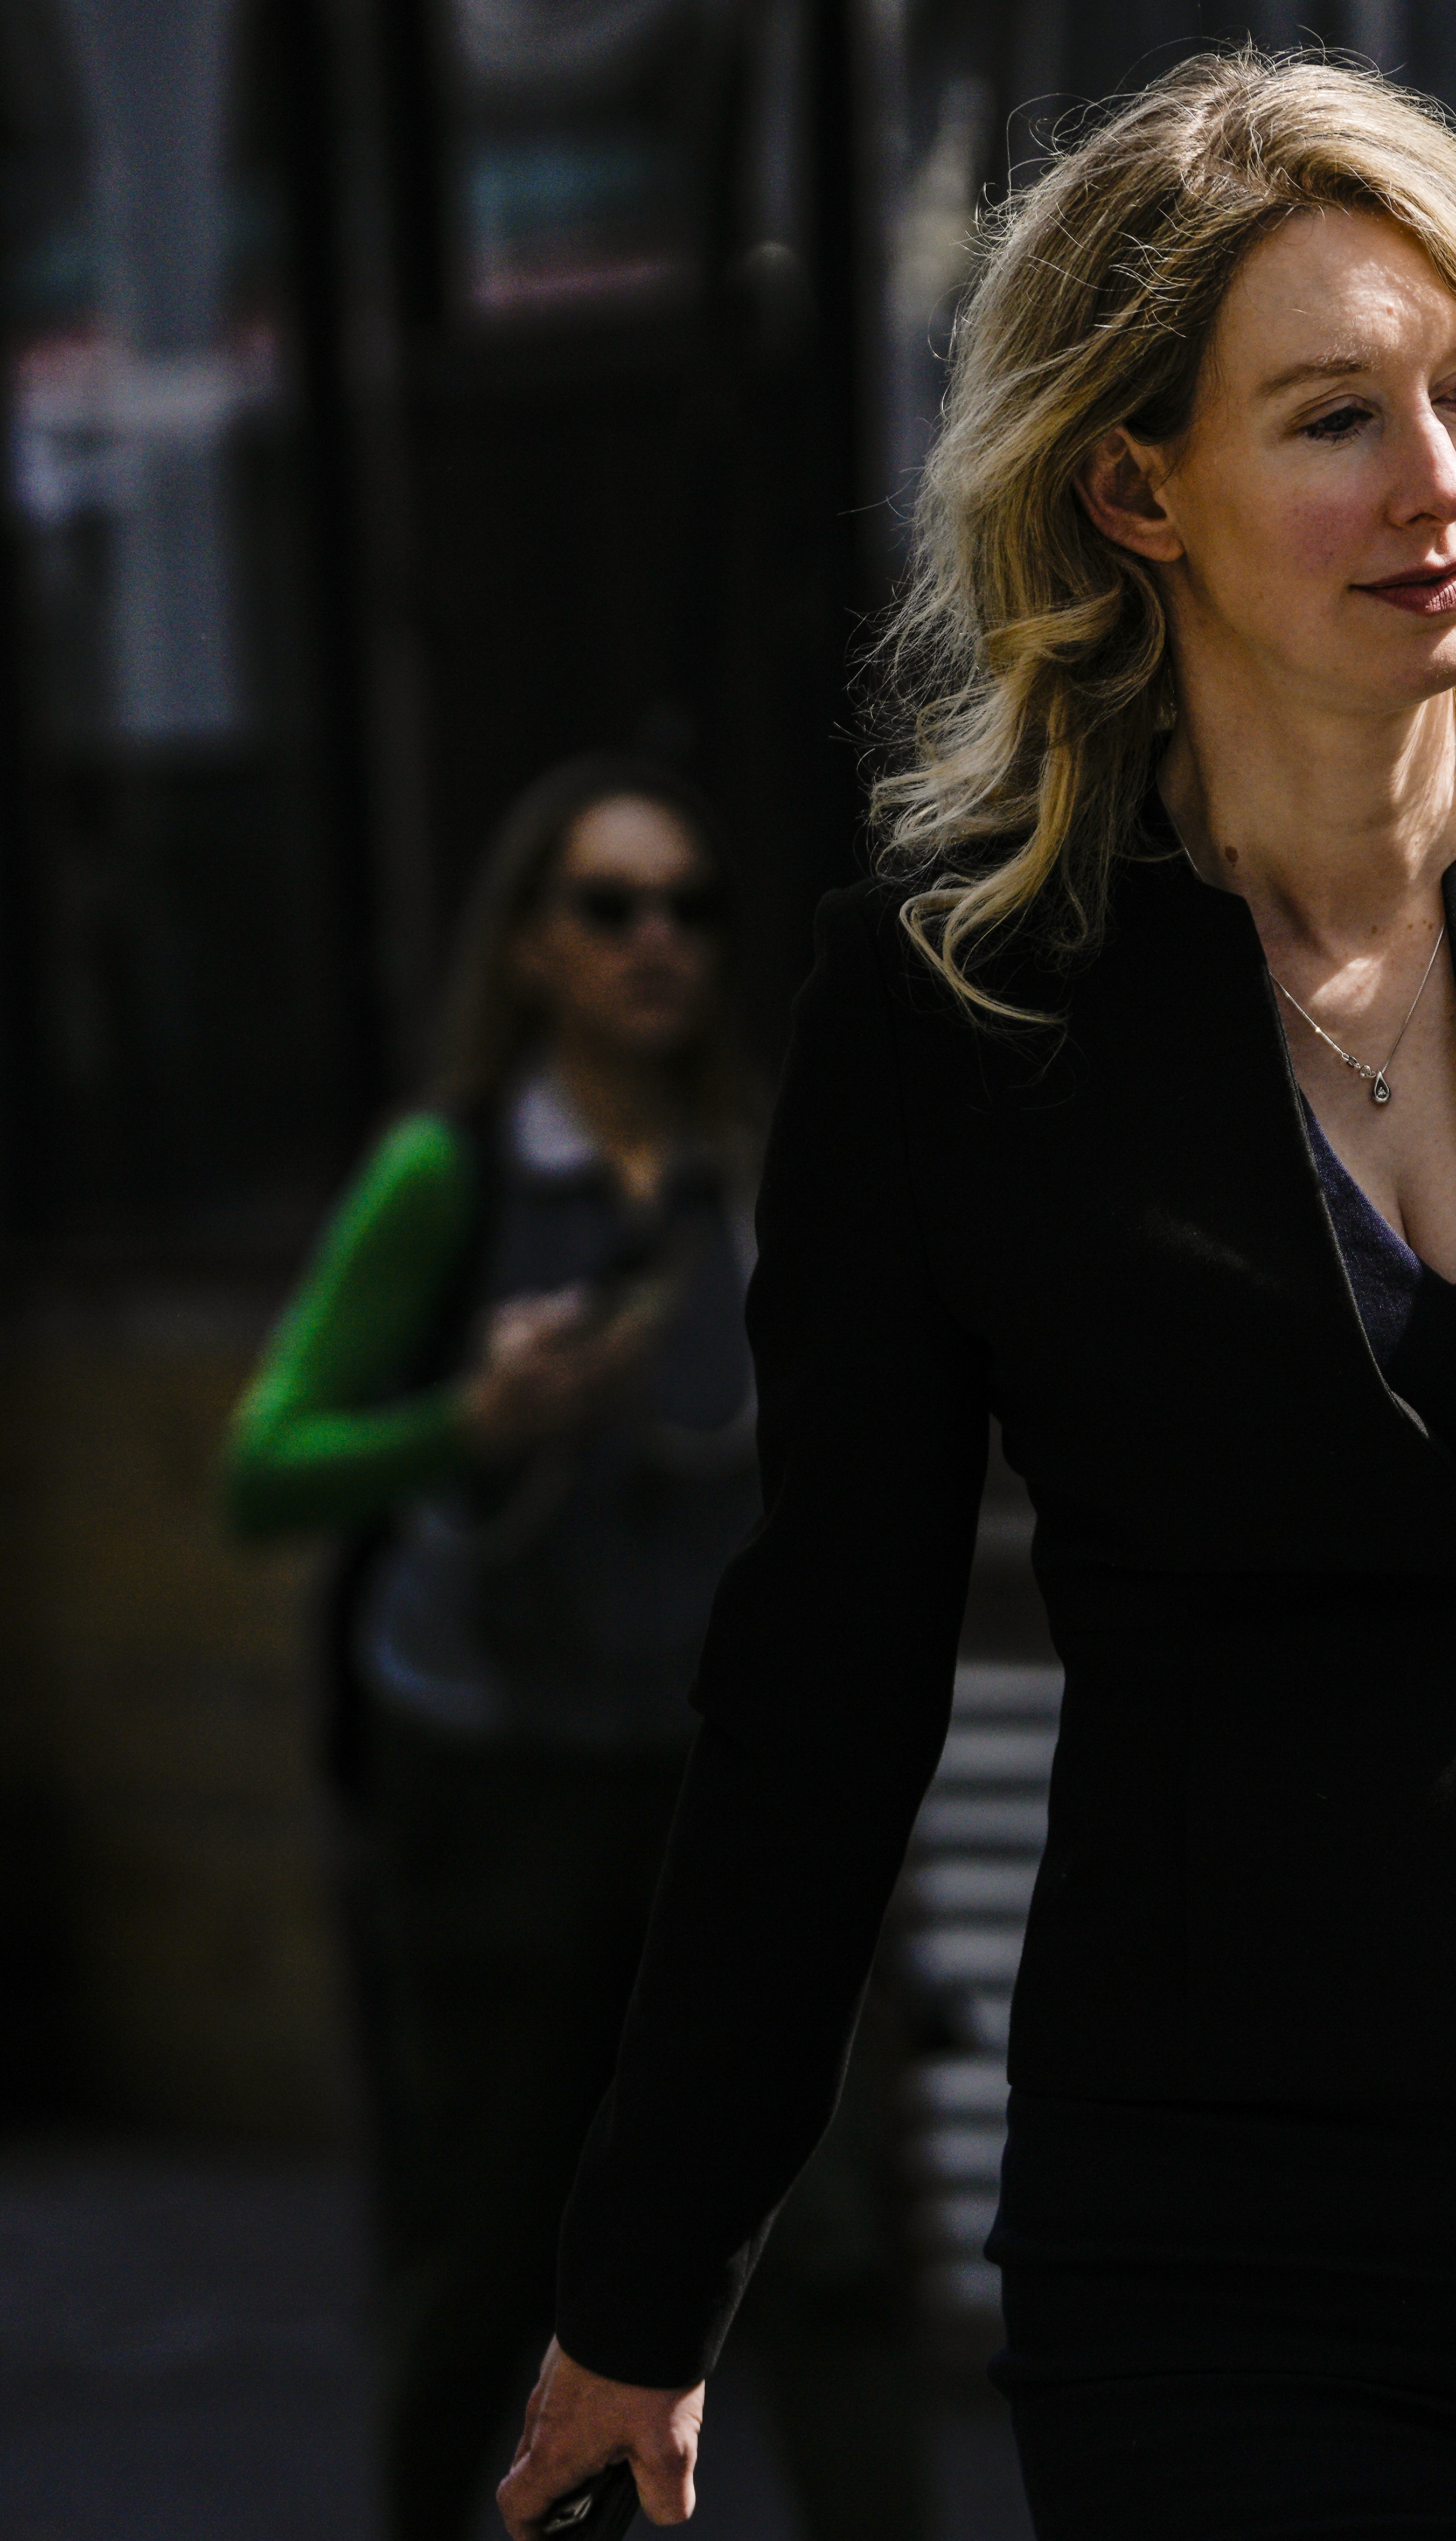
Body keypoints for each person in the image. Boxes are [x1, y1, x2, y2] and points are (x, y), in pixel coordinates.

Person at [491, 52, 1456, 2541]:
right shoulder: (948, 1021)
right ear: (1135, 490)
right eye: (1335, 416)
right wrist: (645, 2277)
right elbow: (820, 1682)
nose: (1443, 483)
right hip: (1235, 2226)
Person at [219, 755, 929, 2541]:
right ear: (533, 945)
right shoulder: (448, 1175)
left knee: (830, 2238)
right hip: (504, 1784)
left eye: (688, 908)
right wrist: (469, 1418)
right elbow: (266, 1473)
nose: (656, 945)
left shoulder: (760, 1167)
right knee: (497, 2253)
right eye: (610, 908)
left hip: (731, 1784)